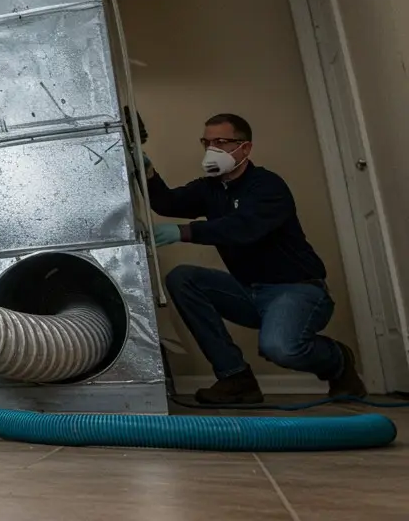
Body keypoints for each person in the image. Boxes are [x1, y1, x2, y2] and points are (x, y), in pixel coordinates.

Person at [147, 113, 366, 404]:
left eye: (221, 142)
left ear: (245, 148)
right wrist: (146, 171)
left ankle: (338, 360)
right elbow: (167, 203)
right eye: (207, 142)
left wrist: (184, 232)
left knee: (281, 348)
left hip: (297, 289)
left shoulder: (268, 186)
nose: (212, 149)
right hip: (248, 290)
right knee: (183, 278)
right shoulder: (210, 188)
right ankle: (236, 378)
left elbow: (245, 227)